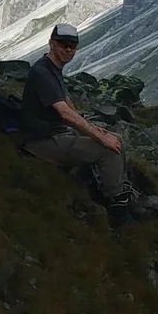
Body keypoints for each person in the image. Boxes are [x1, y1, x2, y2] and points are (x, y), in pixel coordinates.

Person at [19, 23, 131, 213]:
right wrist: (100, 137)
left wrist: (93, 128)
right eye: (63, 44)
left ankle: (120, 187)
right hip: (42, 141)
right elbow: (64, 112)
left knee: (117, 140)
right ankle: (116, 202)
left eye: (73, 45)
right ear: (51, 44)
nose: (68, 49)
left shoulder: (51, 68)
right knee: (109, 149)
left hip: (54, 134)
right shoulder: (42, 72)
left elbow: (65, 101)